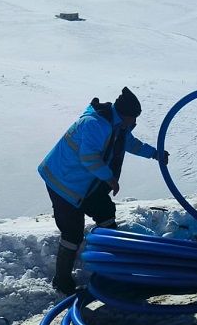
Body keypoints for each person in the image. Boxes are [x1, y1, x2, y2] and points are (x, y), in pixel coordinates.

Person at [38, 87, 169, 294]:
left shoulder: (117, 125)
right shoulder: (96, 124)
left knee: (106, 213)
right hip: (63, 182)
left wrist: (154, 154)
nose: (134, 123)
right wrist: (110, 178)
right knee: (72, 232)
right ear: (124, 114)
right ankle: (61, 282)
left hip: (86, 182)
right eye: (133, 118)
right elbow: (88, 158)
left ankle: (112, 267)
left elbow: (131, 144)